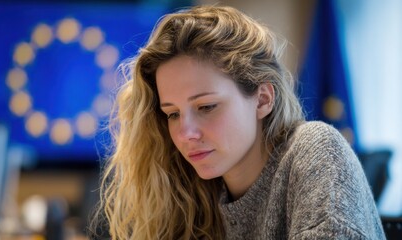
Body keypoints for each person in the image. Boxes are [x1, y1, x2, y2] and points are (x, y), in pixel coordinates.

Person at [93, 5, 385, 239]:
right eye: (173, 113)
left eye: (206, 106)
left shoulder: (316, 149)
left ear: (262, 100)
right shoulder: (190, 192)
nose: (185, 134)